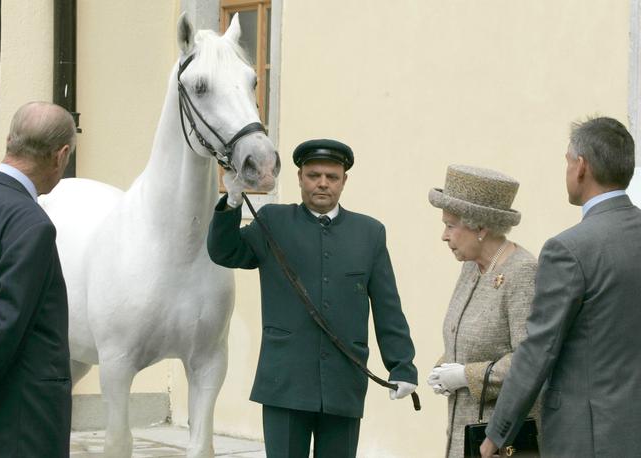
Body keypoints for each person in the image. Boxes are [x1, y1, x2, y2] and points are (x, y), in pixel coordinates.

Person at [207, 139, 418, 457]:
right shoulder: (273, 221)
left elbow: (388, 305)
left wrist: (402, 365)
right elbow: (225, 251)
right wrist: (233, 199)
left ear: (344, 180)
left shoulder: (370, 233)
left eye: (332, 176)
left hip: (344, 380)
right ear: (300, 177)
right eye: (313, 174)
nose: (322, 183)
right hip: (285, 380)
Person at [480, 117, 641, 458]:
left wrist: (496, 434)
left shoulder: (568, 249)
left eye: (567, 161)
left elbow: (539, 348)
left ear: (581, 167)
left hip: (587, 436)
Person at [0, 101, 75, 457]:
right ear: (61, 156)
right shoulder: (32, 224)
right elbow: (4, 330)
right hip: (24, 425)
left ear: (10, 140)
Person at [426, 165, 537, 457]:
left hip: (499, 441)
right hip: (461, 431)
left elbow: (530, 359)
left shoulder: (522, 272)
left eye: (450, 225)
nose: (444, 236)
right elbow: (470, 337)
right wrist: (444, 368)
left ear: (480, 228)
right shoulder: (471, 267)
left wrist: (466, 375)